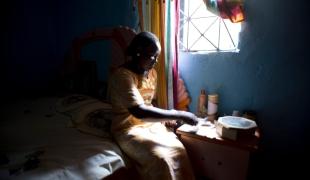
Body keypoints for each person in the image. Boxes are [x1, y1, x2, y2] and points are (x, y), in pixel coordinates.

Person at [108, 31, 198, 180]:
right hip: (128, 129)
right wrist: (179, 114)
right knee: (161, 158)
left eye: (157, 56)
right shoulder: (122, 76)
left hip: (150, 126)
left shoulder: (152, 73)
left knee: (178, 149)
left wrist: (164, 119)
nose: (155, 61)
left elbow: (149, 103)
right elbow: (139, 111)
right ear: (138, 53)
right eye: (152, 56)